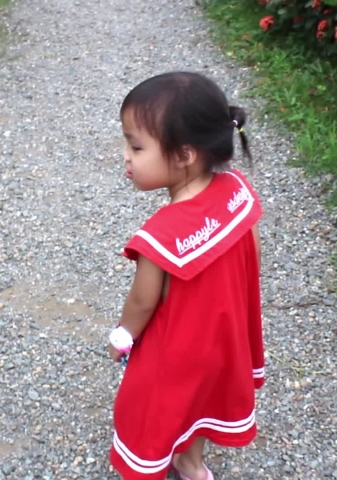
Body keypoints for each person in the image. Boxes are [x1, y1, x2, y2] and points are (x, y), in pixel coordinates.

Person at [107, 71, 266, 480]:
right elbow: (251, 253)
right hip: (225, 338)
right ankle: (191, 464)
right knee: (201, 400)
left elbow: (143, 302)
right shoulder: (236, 193)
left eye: (136, 146)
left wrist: (122, 336)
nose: (125, 155)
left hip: (177, 349)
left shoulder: (160, 235)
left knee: (152, 407)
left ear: (184, 155)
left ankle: (151, 462)